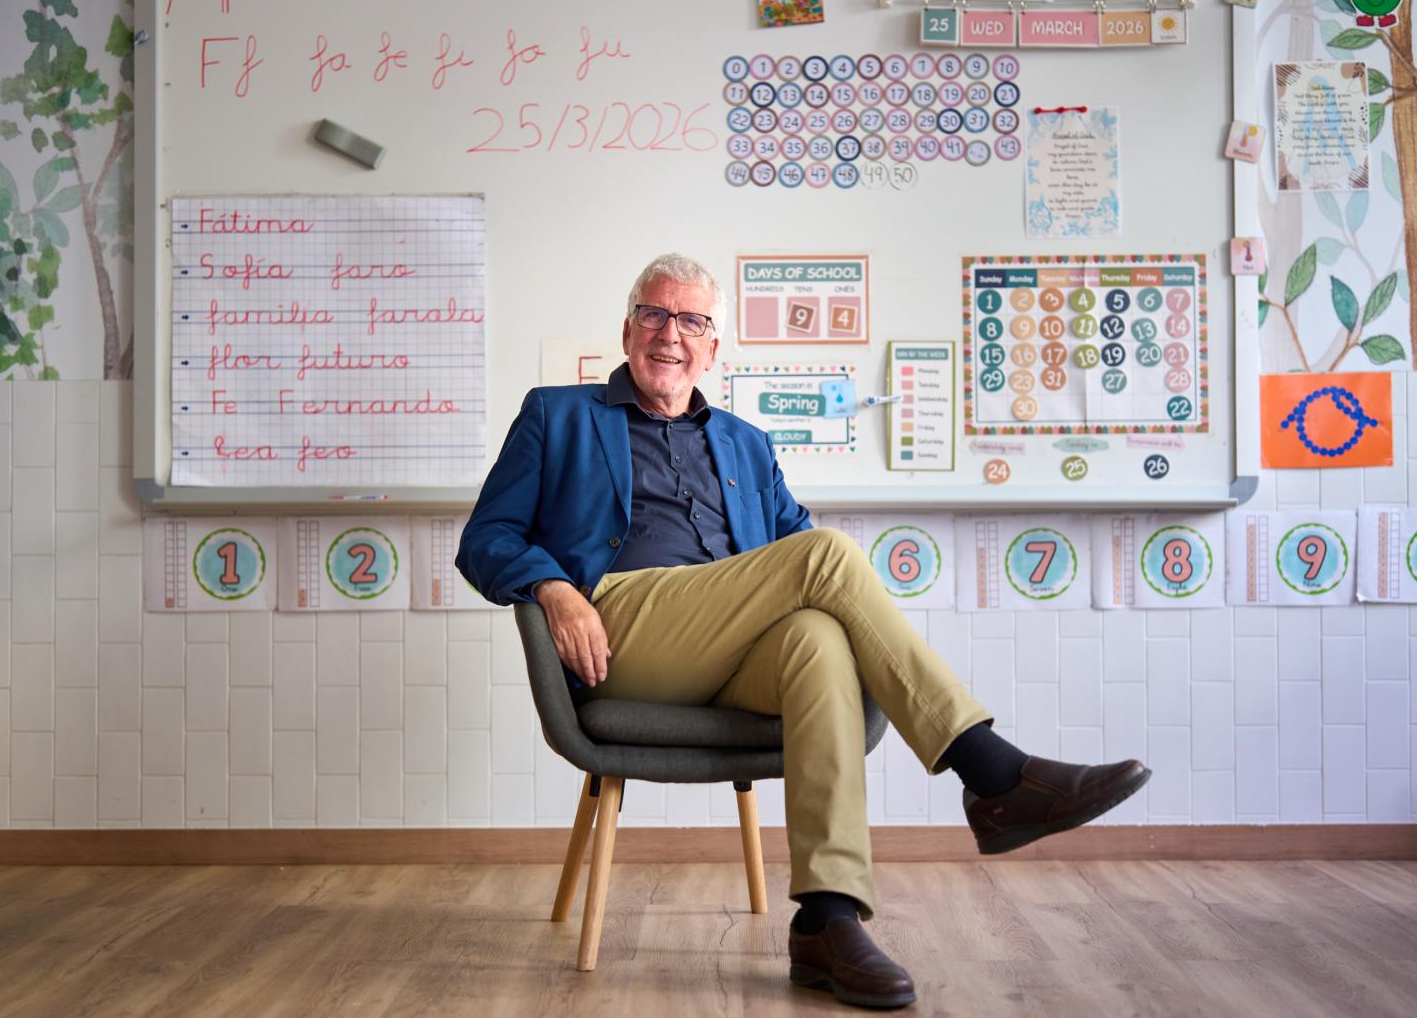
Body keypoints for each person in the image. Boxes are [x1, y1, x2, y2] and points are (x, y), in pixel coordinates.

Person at [456, 253, 1150, 1010]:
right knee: (826, 555)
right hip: (623, 630)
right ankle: (990, 769)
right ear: (627, 332)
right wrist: (555, 588)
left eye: (692, 321)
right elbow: (485, 537)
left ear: (713, 348)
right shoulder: (558, 416)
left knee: (817, 637)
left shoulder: (746, 442)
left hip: (729, 648)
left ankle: (827, 917)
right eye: (655, 315)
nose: (671, 335)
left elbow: (794, 556)